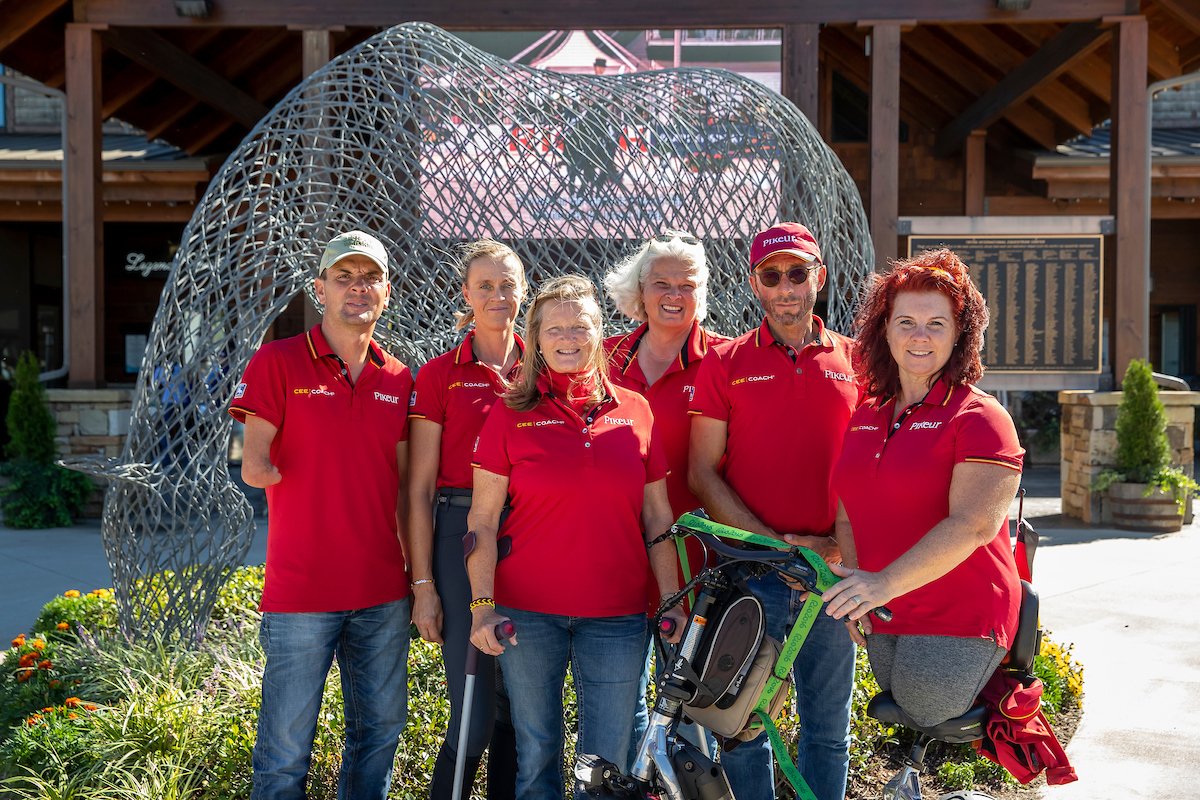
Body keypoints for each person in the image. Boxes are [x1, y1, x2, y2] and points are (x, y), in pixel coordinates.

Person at [465, 275, 686, 800]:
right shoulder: (509, 413)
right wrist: (482, 607)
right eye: (555, 328)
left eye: (580, 325)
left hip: (616, 616)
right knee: (537, 756)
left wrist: (672, 599)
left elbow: (658, 518)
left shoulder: (636, 410)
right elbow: (482, 522)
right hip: (527, 615)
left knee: (606, 766)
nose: (569, 337)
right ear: (536, 340)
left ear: (598, 330)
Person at [231, 230, 413, 800]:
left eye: (369, 278)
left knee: (379, 734)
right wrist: (268, 468)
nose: (356, 289)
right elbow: (253, 463)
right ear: (320, 289)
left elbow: (408, 487)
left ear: (386, 292)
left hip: (383, 590)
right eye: (344, 277)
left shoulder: (399, 378)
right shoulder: (278, 360)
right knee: (285, 751)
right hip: (302, 591)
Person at [687, 222, 860, 800]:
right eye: (771, 275)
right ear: (755, 285)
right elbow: (701, 472)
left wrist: (833, 548)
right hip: (749, 573)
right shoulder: (725, 362)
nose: (786, 286)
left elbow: (870, 473)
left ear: (820, 278)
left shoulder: (860, 363)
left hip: (832, 576)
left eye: (797, 272)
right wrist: (772, 544)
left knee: (826, 729)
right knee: (740, 726)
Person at [817, 248, 1024, 728]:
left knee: (925, 707)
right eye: (906, 321)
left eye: (937, 324)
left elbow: (972, 525)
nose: (919, 336)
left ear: (960, 336)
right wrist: (855, 588)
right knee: (903, 710)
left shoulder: (980, 418)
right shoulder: (866, 413)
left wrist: (879, 585)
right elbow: (847, 514)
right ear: (884, 330)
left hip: (961, 610)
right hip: (885, 605)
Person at [602, 231, 728, 761]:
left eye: (687, 283)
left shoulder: (726, 360)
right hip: (614, 560)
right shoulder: (600, 358)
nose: (674, 293)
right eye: (661, 283)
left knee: (693, 713)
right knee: (620, 708)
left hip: (698, 565)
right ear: (640, 289)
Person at [407, 240, 525, 800]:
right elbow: (418, 488)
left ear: (522, 291)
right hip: (461, 532)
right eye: (486, 286)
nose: (498, 296)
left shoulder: (544, 366)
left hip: (530, 533)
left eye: (508, 285)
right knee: (474, 709)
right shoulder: (438, 376)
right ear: (466, 296)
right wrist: (424, 583)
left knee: (518, 708)